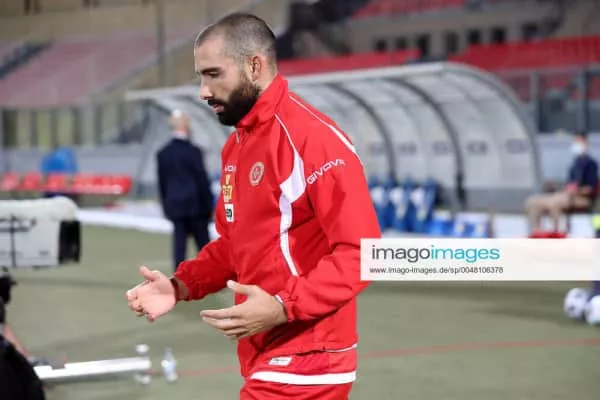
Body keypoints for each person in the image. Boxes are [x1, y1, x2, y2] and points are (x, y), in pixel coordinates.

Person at [126, 12, 381, 400]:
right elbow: (235, 246)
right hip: (267, 353)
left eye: (214, 74)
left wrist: (282, 306)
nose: (203, 92)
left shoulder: (311, 139)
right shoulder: (237, 146)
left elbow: (362, 254)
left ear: (255, 66)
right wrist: (180, 286)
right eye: (200, 77)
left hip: (309, 357)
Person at [156, 109, 214, 272]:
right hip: (196, 205)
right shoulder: (193, 152)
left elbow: (162, 182)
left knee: (179, 247)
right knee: (203, 247)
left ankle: (179, 277)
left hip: (175, 205)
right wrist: (209, 204)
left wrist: (166, 205)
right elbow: (202, 180)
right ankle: (209, 276)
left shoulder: (163, 153)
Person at [525, 132, 598, 233]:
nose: (576, 144)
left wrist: (575, 191)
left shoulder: (591, 164)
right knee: (533, 202)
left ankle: (558, 231)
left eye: (579, 141)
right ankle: (537, 231)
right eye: (575, 141)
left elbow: (590, 189)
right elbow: (569, 183)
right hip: (566, 195)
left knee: (555, 203)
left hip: (581, 198)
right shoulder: (575, 163)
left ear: (585, 143)